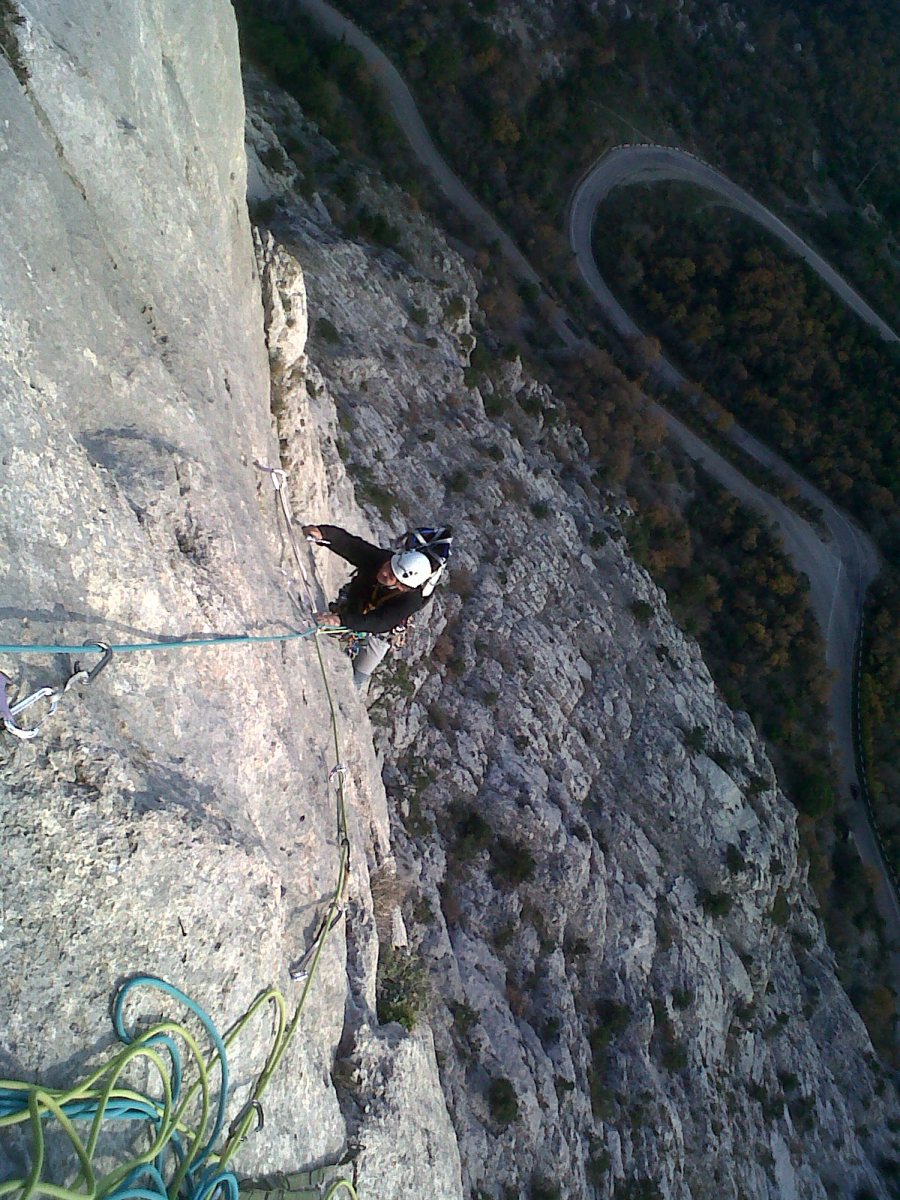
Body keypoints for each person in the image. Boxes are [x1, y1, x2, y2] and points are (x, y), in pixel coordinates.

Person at [302, 523, 447, 691]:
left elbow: (379, 622)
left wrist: (341, 620)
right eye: (389, 567)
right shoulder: (382, 560)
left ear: (402, 587)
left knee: (355, 680)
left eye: (392, 576)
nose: (384, 572)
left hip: (380, 632)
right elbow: (353, 546)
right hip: (356, 603)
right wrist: (324, 534)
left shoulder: (410, 600)